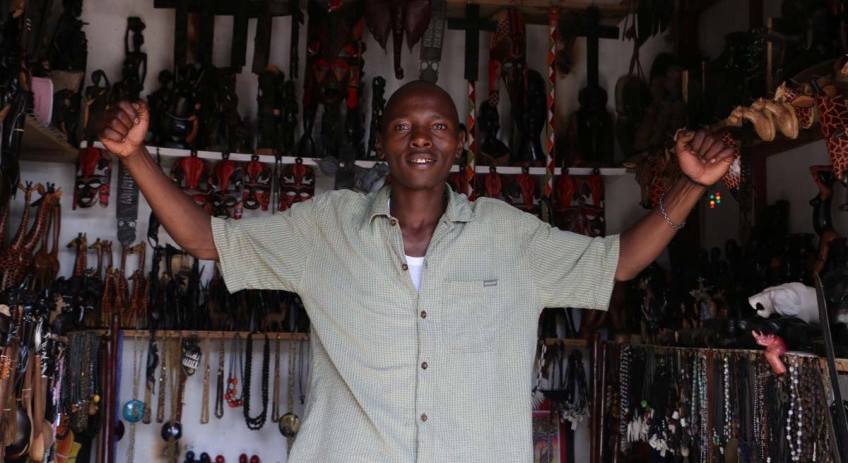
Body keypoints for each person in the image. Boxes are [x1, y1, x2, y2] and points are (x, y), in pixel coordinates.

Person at [99, 81, 733, 463]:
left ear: (459, 142)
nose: (420, 139)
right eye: (403, 126)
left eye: (436, 127)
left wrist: (689, 189)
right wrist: (134, 156)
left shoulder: (508, 235)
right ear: (383, 142)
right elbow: (206, 240)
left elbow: (617, 262)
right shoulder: (326, 228)